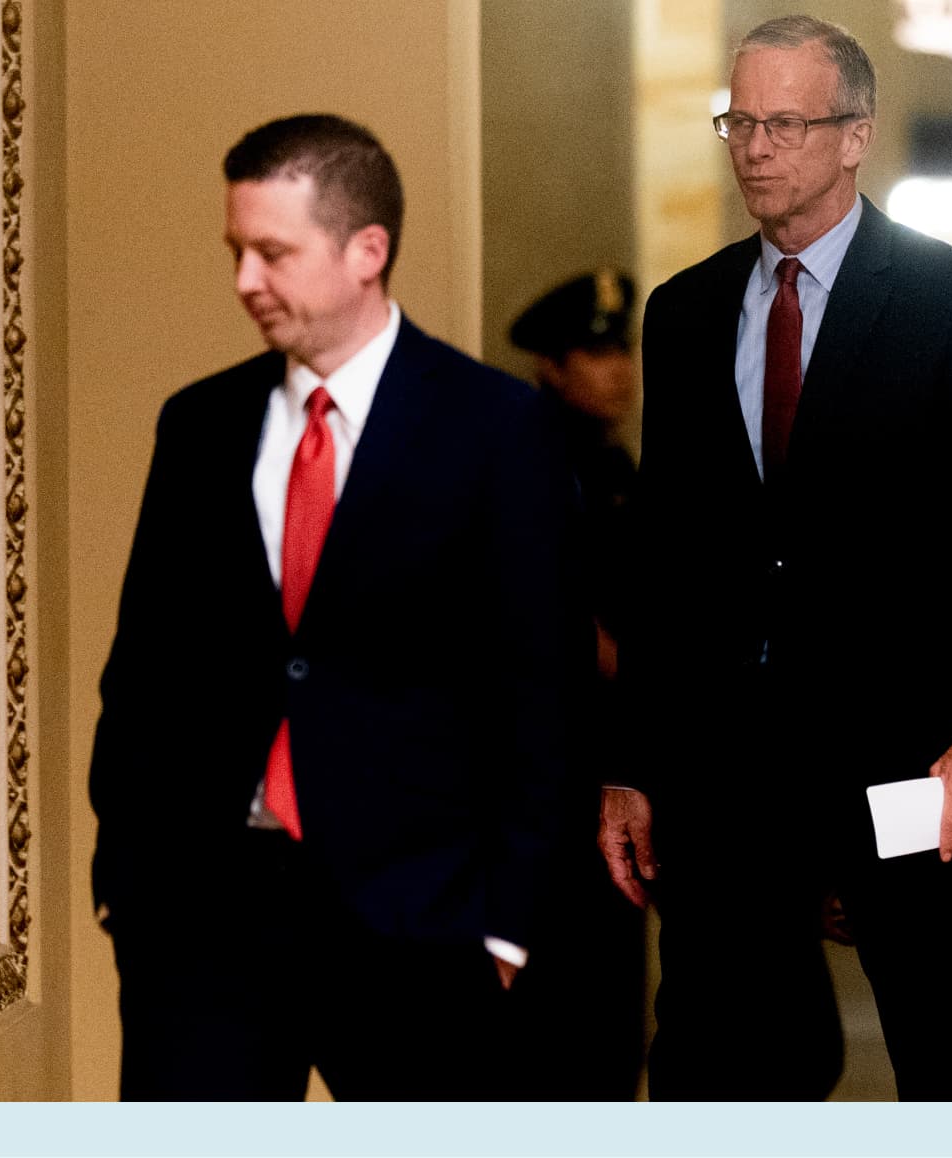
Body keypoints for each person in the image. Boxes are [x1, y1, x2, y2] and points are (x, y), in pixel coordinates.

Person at [598, 16, 952, 1100]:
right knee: (719, 1066)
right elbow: (668, 561)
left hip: (910, 758)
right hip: (729, 777)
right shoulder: (687, 313)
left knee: (944, 1057)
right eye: (739, 122)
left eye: (785, 123)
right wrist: (632, 763)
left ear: (856, 136)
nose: (756, 148)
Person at [88, 114, 582, 1100]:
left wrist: (507, 926)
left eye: (273, 253)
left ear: (368, 250)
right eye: (237, 252)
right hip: (204, 932)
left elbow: (546, 694)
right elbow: (144, 673)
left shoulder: (497, 427)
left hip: (425, 927)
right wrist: (129, 894)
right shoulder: (200, 424)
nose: (244, 282)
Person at [502, 270, 647, 1099]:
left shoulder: (609, 462)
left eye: (621, 347)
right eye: (596, 351)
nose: (618, 368)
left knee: (605, 1025)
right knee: (560, 1029)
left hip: (609, 766)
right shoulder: (530, 457)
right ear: (552, 365)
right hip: (550, 779)